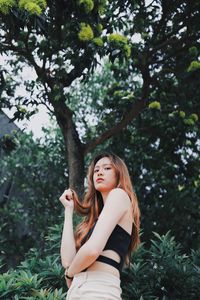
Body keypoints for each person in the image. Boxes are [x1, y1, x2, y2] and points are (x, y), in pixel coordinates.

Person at [59, 153, 141, 300]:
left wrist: (69, 274)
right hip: (80, 290)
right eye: (96, 170)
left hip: (98, 289)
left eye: (107, 168)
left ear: (119, 174)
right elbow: (67, 261)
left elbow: (92, 250)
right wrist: (68, 210)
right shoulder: (96, 221)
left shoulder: (119, 195)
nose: (100, 172)